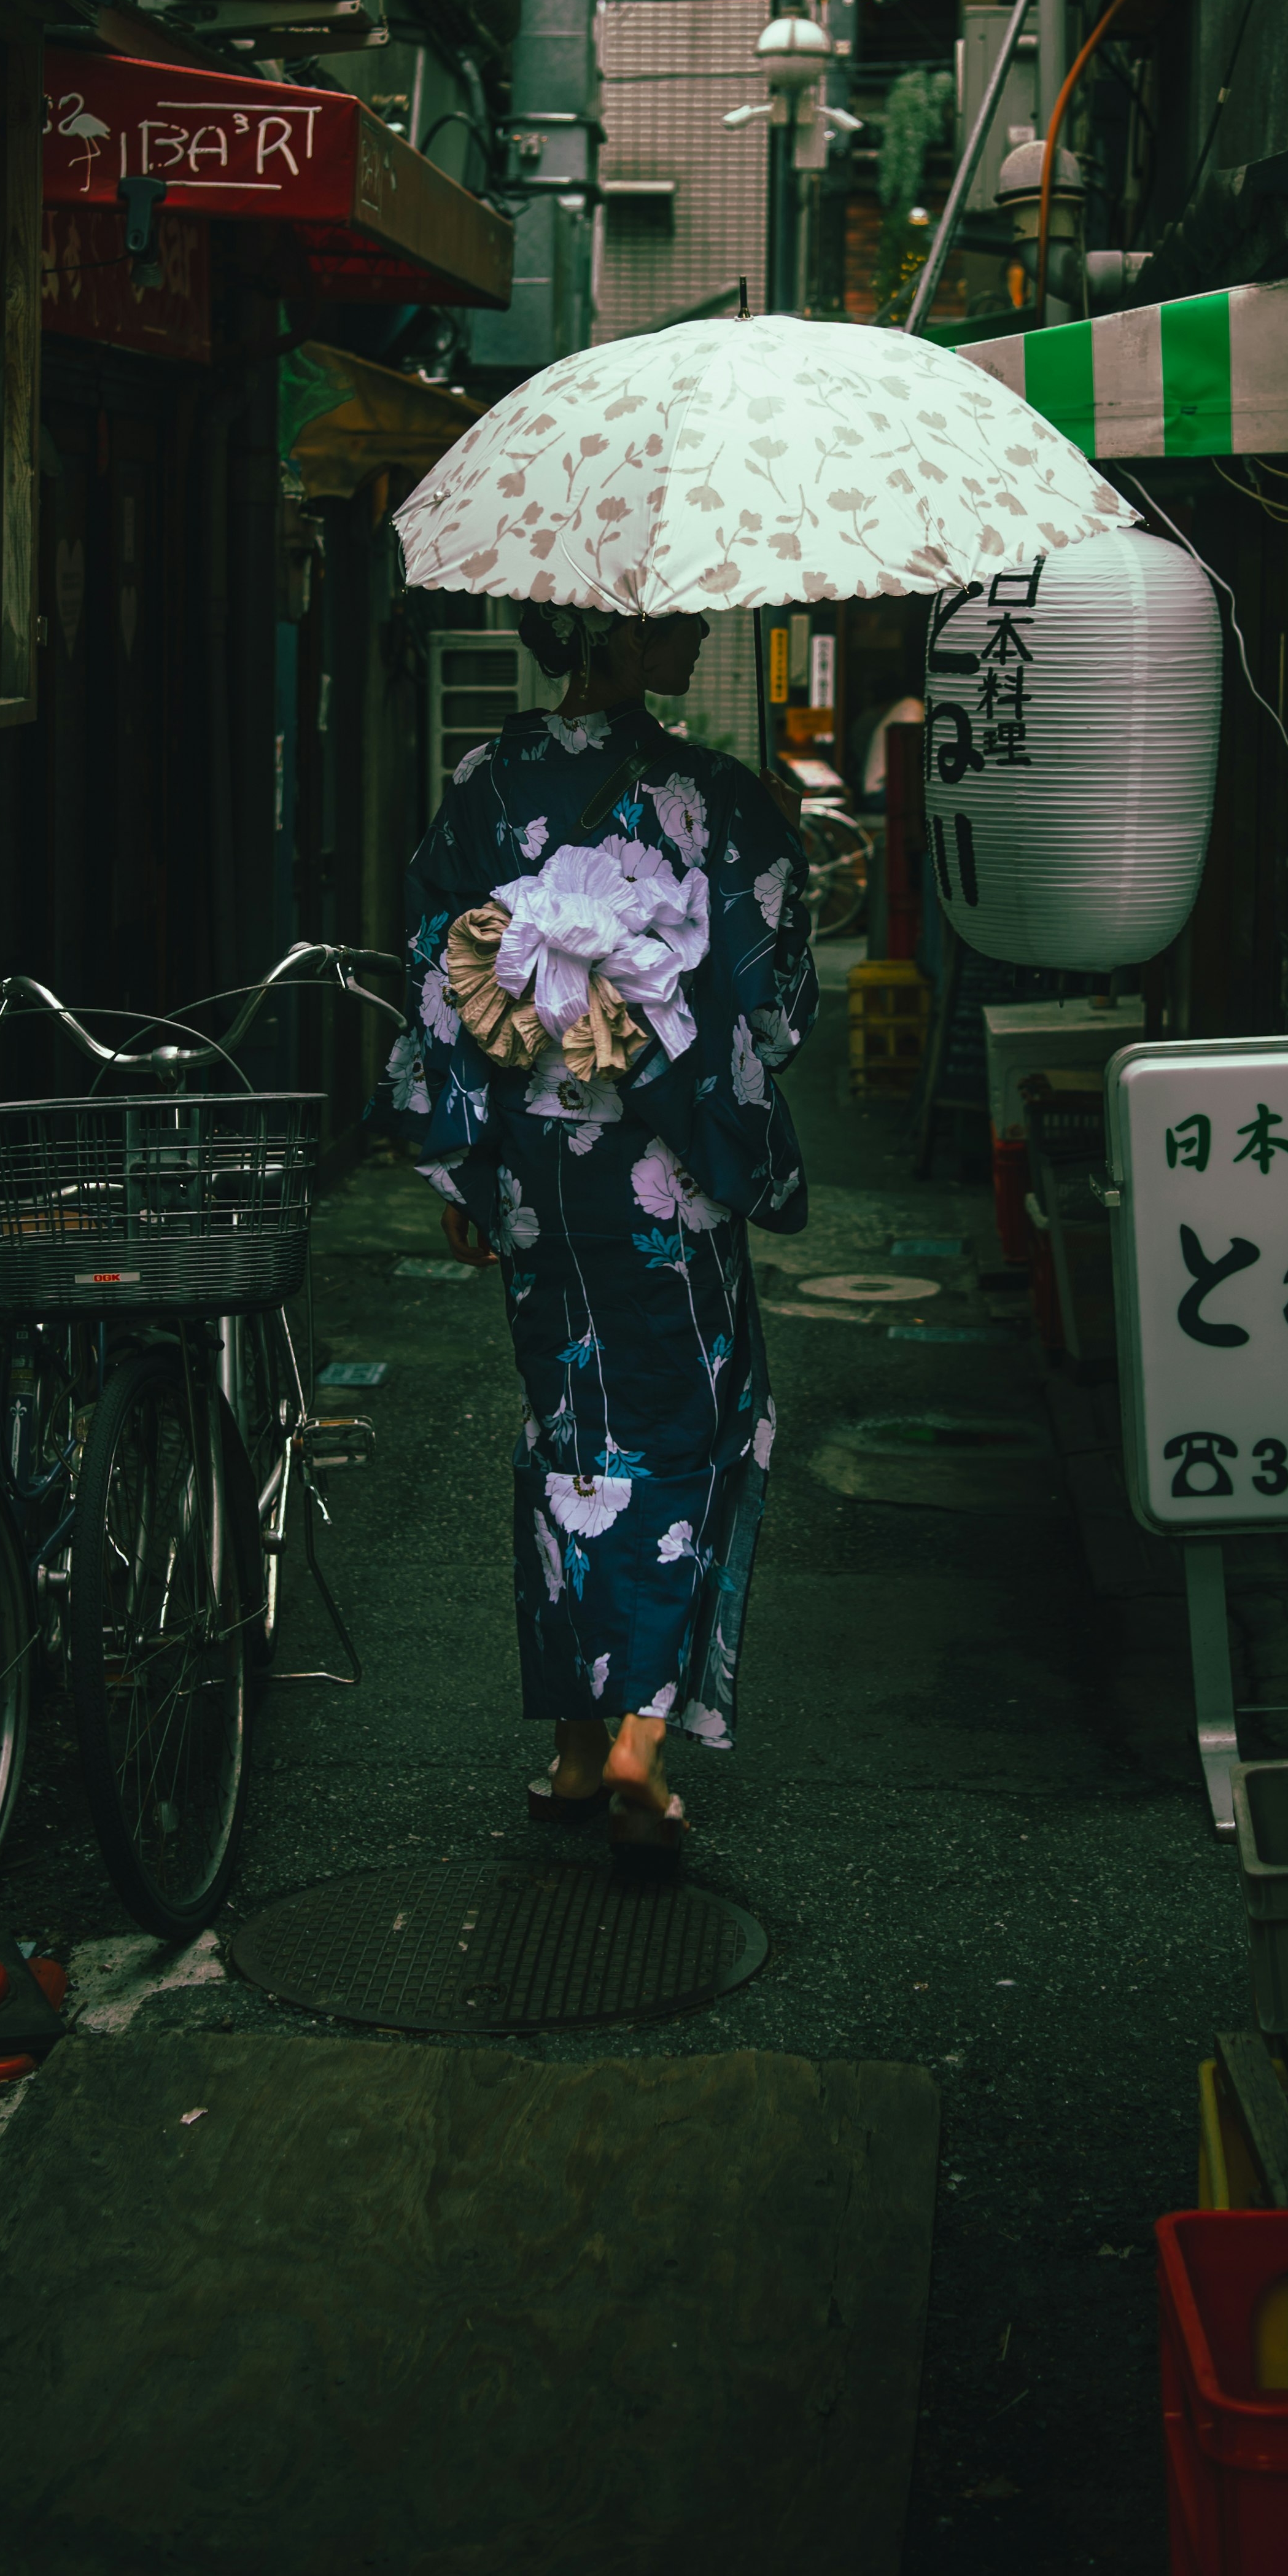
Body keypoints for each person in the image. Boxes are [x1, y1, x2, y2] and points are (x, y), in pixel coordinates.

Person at [368, 602, 816, 1875]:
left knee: (568, 1422)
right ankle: (639, 1744)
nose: (694, 634)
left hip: (534, 1168)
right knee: (692, 1422)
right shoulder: (709, 798)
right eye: (672, 620)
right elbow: (772, 999)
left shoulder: (482, 784)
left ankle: (572, 1748)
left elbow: (436, 969)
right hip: (661, 1167)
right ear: (612, 635)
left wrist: (461, 1156)